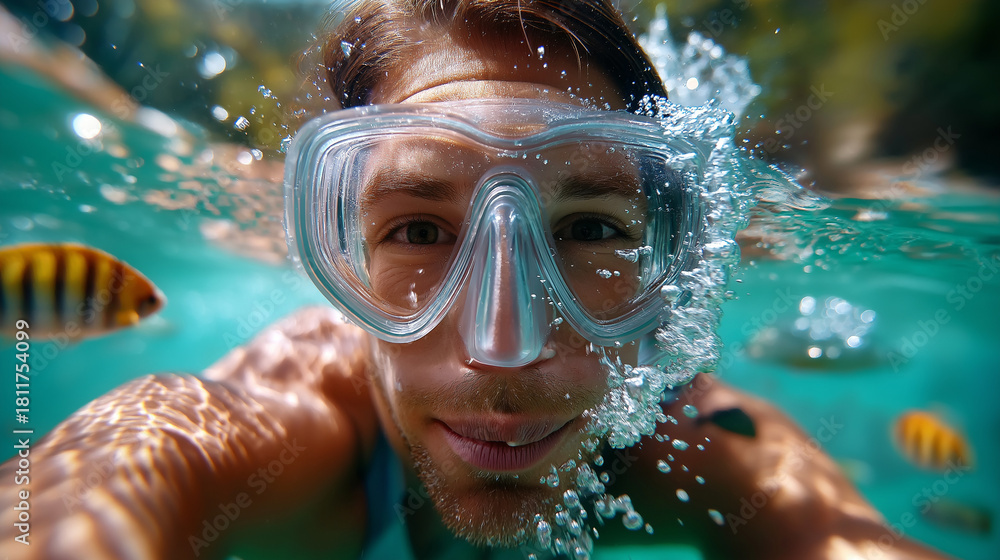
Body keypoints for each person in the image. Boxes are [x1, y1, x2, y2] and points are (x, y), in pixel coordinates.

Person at [0, 1, 953, 559]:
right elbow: (93, 495)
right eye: (418, 229)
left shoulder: (691, 445)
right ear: (340, 251)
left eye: (589, 230)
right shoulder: (294, 432)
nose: (506, 345)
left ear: (682, 263)